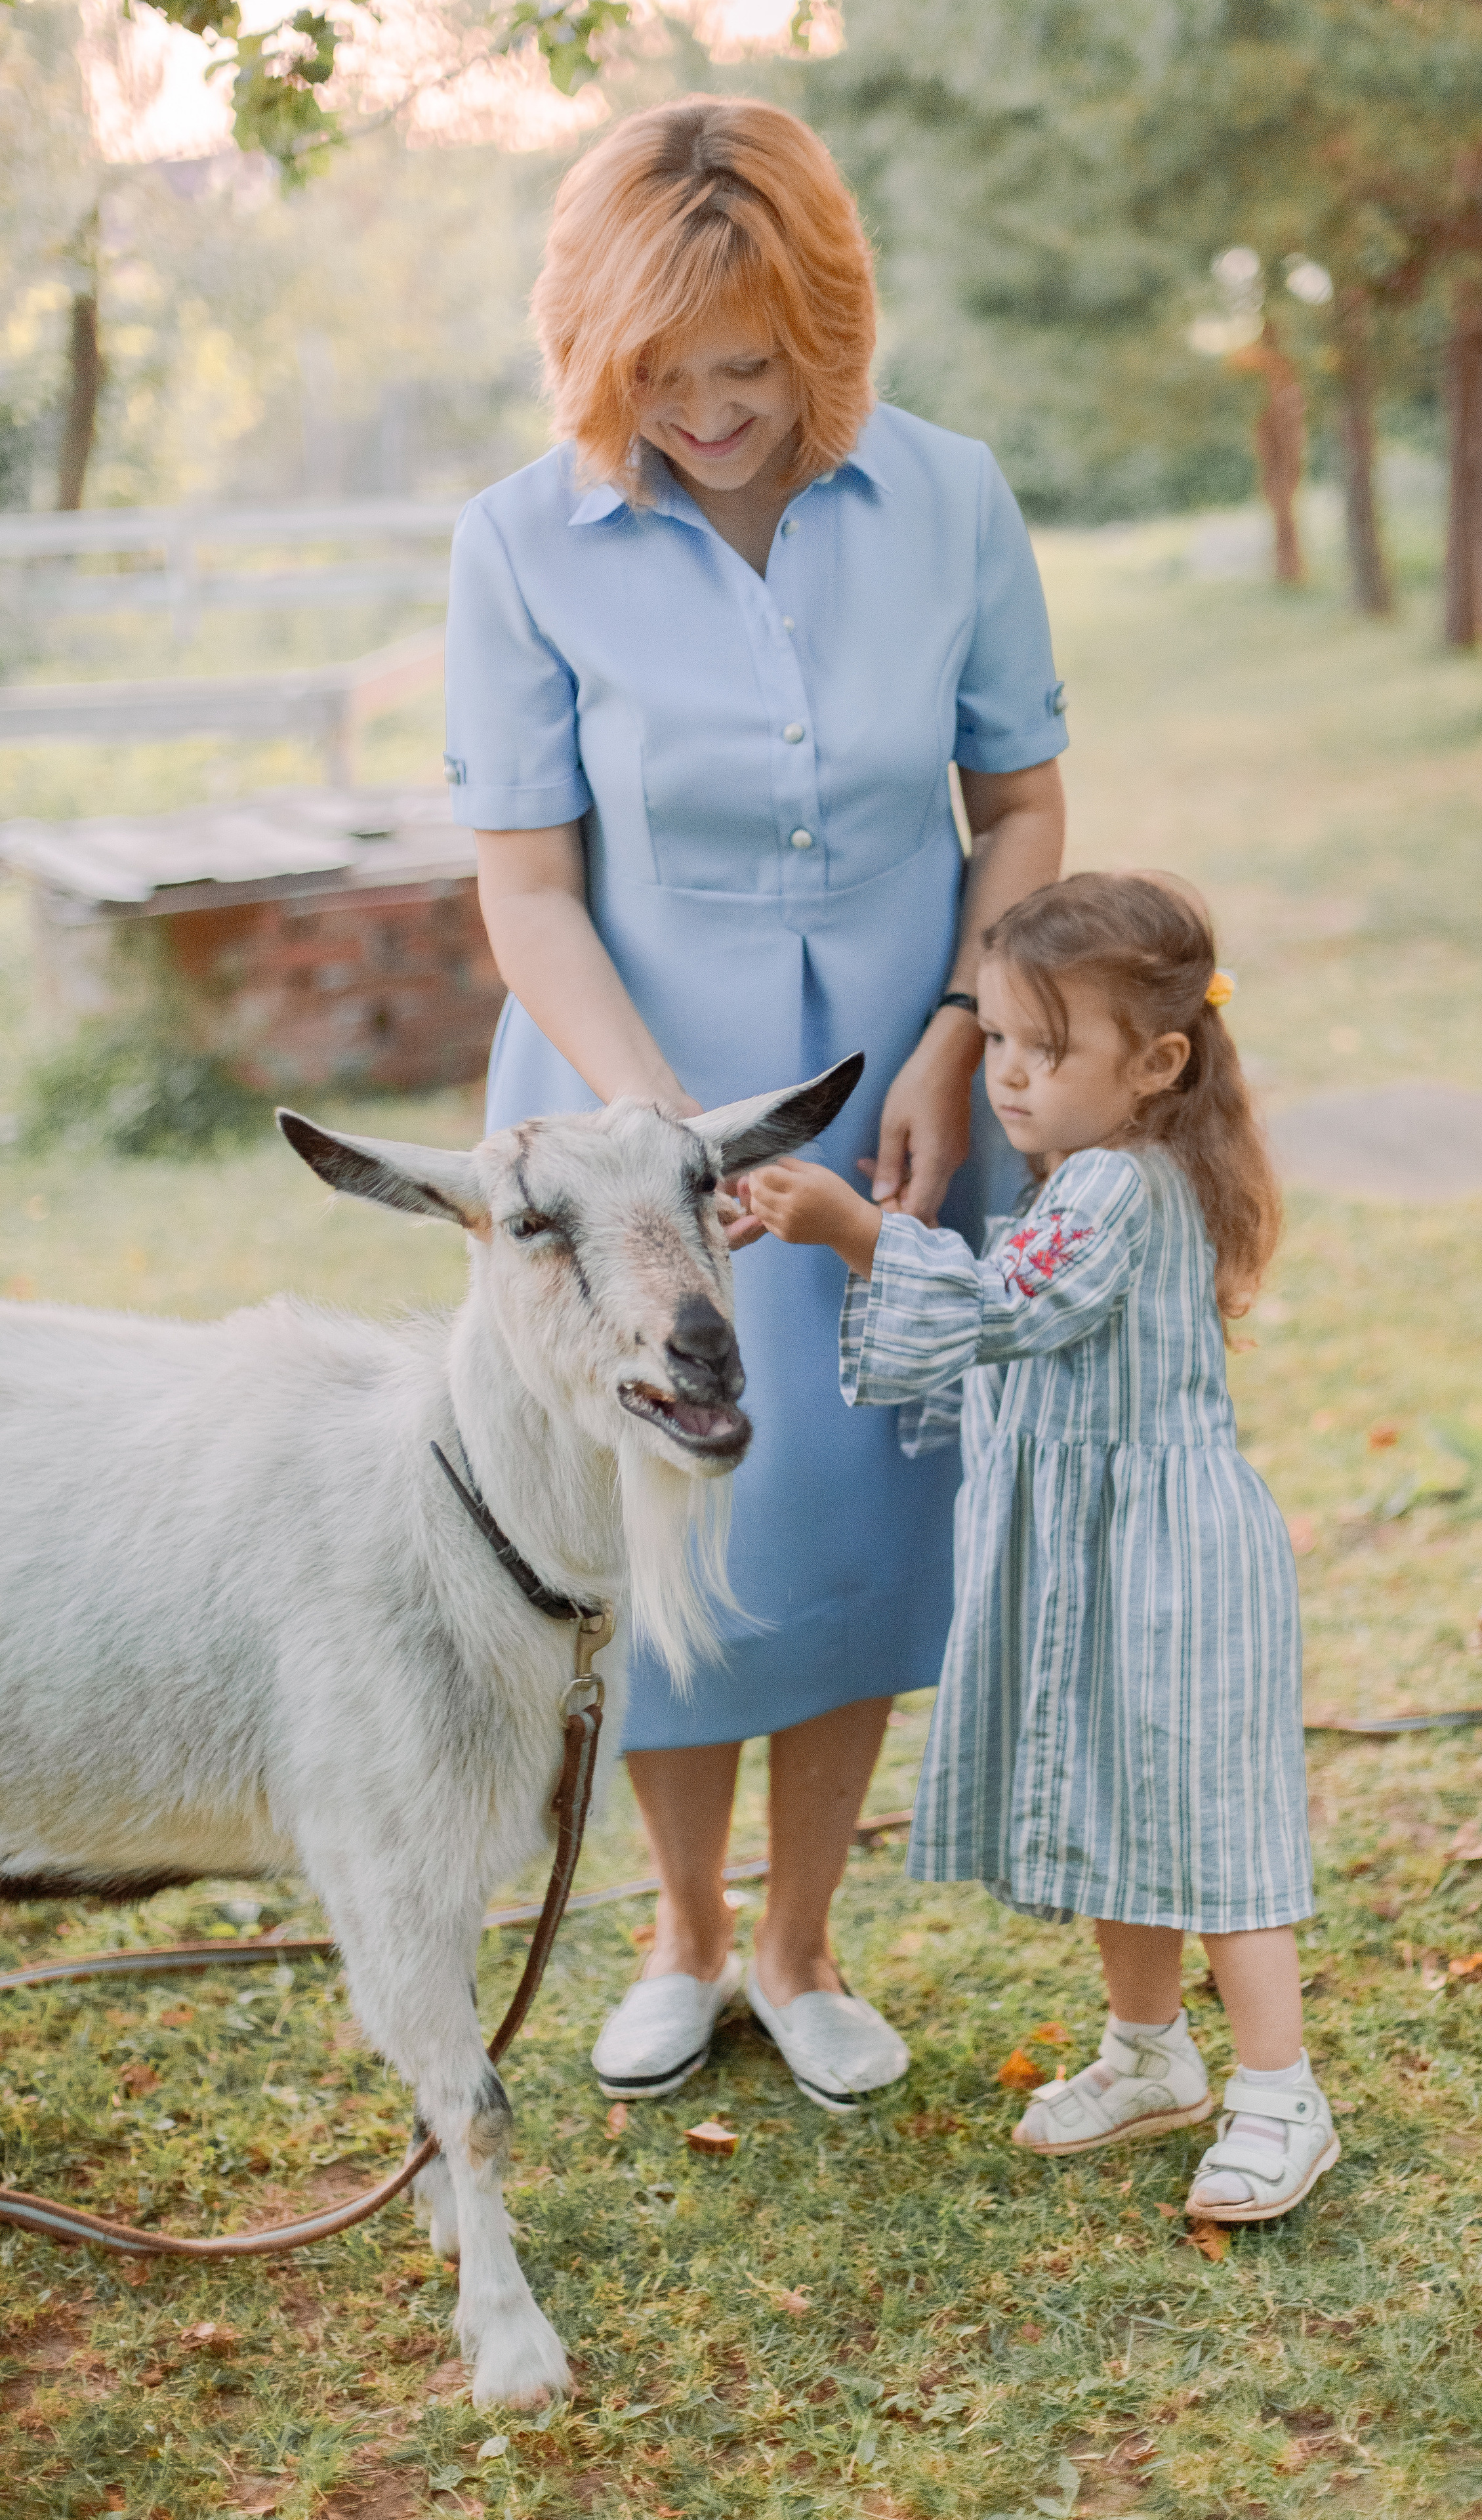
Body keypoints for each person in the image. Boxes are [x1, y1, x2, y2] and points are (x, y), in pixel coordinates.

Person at [443, 95, 1067, 2116]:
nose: (709, 412)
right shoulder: (522, 541)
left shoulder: (954, 498)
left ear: (827, 330)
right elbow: (526, 886)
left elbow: (1023, 804)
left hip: (895, 1083)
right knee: (668, 1516)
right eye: (665, 373)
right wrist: (664, 1143)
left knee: (860, 1509)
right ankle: (685, 1935)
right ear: (596, 351)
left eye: (753, 367)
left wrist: (965, 1030)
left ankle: (801, 1948)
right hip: (635, 1101)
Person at [745, 873, 1336, 2223]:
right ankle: (1146, 2053)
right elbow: (1005, 1350)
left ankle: (1277, 2090)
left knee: (1209, 1820)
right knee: (1119, 1805)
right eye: (997, 1043)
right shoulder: (1085, 1171)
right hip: (1094, 1553)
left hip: (1170, 1561)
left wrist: (856, 1233)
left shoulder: (1119, 1188)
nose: (1004, 1078)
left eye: (1040, 1050)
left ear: (1156, 1063)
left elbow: (1007, 1310)